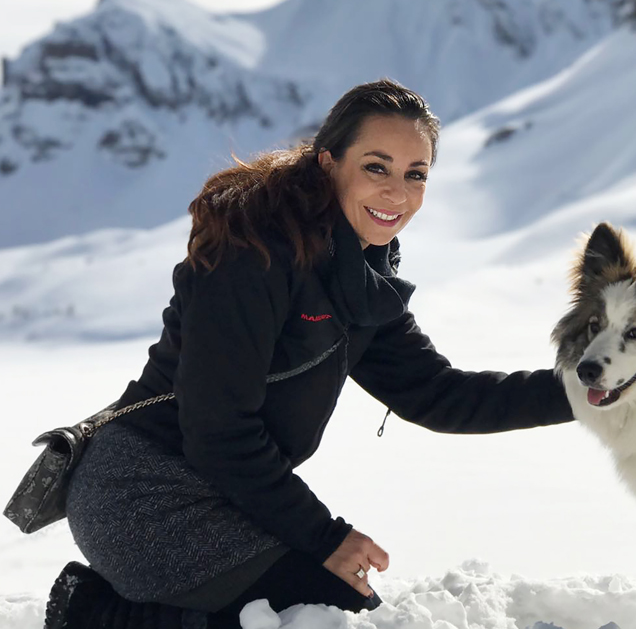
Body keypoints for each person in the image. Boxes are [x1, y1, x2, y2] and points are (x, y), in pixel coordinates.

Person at [49, 79, 573, 629]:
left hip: (227, 491)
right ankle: (94, 614)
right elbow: (218, 431)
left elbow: (442, 396)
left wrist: (590, 392)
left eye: (415, 174)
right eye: (377, 166)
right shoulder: (252, 254)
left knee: (329, 611)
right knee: (323, 615)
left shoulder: (360, 278)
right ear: (328, 163)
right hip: (142, 494)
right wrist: (327, 538)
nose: (397, 192)